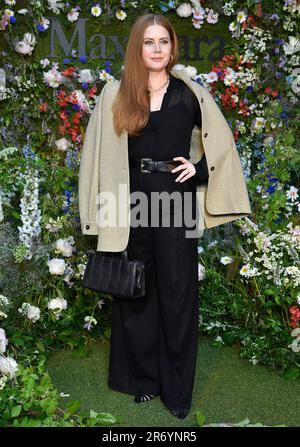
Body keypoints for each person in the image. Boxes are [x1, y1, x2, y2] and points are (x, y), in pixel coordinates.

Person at [78, 13, 252, 420]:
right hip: (130, 202)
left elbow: (222, 144)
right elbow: (96, 155)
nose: (157, 49)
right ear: (138, 48)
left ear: (173, 48)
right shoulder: (117, 94)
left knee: (178, 295)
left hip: (176, 201)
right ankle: (143, 381)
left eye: (163, 42)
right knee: (136, 291)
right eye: (149, 42)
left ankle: (176, 390)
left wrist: (201, 169)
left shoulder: (191, 93)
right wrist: (97, 212)